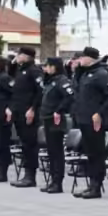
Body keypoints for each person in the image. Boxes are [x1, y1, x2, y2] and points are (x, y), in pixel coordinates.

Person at [73, 47, 108, 199]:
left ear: (91, 58)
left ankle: (96, 186)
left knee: (97, 153)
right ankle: (91, 184)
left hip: (95, 120)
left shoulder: (101, 74)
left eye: (83, 57)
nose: (80, 59)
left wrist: (99, 113)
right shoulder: (85, 73)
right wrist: (78, 70)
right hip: (83, 118)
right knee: (89, 153)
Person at [8, 47, 44, 188]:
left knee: (30, 144)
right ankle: (26, 174)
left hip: (29, 112)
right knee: (24, 144)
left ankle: (30, 176)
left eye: (20, 54)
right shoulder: (20, 69)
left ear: (27, 56)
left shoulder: (34, 71)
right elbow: (11, 76)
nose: (18, 56)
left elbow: (40, 91)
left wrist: (33, 108)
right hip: (18, 111)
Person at [39, 57, 75, 194]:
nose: (46, 69)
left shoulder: (62, 80)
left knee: (57, 151)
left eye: (48, 66)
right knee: (51, 152)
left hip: (56, 119)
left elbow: (70, 96)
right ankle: (52, 180)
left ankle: (57, 182)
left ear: (55, 67)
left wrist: (59, 110)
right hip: (47, 118)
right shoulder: (50, 81)